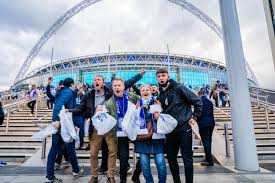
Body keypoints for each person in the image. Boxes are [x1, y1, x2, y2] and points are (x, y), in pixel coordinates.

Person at [69, 71, 144, 183]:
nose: (96, 81)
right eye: (95, 80)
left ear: (103, 83)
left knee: (113, 151)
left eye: (99, 79)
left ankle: (111, 176)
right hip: (96, 127)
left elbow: (126, 84)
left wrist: (139, 75)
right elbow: (80, 108)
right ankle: (94, 176)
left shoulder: (110, 90)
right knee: (93, 152)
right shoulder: (88, 95)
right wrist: (69, 111)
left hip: (111, 128)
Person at [154, 68, 202, 183]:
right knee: (171, 158)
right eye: (159, 76)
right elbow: (163, 113)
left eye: (163, 75)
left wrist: (194, 117)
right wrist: (158, 109)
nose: (161, 78)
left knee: (187, 159)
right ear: (157, 78)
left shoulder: (179, 88)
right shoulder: (160, 94)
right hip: (170, 131)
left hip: (184, 129)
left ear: (168, 77)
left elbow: (197, 101)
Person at [46, 78, 84, 183]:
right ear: (71, 84)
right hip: (63, 125)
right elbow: (59, 105)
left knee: (54, 149)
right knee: (70, 147)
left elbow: (65, 100)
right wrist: (57, 120)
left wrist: (77, 89)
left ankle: (50, 177)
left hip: (60, 124)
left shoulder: (62, 92)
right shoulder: (67, 92)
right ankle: (76, 170)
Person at [105, 78, 139, 183]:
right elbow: (107, 120)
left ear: (124, 87)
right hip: (120, 133)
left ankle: (136, 175)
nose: (117, 87)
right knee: (123, 159)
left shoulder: (132, 97)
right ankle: (122, 180)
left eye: (119, 85)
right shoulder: (109, 103)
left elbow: (143, 104)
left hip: (133, 130)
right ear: (112, 88)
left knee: (143, 154)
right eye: (115, 85)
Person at [134, 84, 166, 183]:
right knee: (144, 164)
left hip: (156, 137)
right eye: (142, 90)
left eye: (147, 90)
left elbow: (161, 118)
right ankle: (149, 181)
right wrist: (136, 111)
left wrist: (159, 113)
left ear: (151, 91)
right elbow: (134, 120)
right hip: (143, 137)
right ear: (140, 93)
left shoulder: (156, 102)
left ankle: (162, 181)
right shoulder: (137, 104)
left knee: (160, 162)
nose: (145, 91)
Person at [197, 90, 215, 166]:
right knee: (209, 141)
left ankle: (209, 160)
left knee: (205, 142)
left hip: (203, 124)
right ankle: (208, 158)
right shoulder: (209, 101)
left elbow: (198, 113)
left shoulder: (199, 101)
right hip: (211, 123)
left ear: (199, 94)